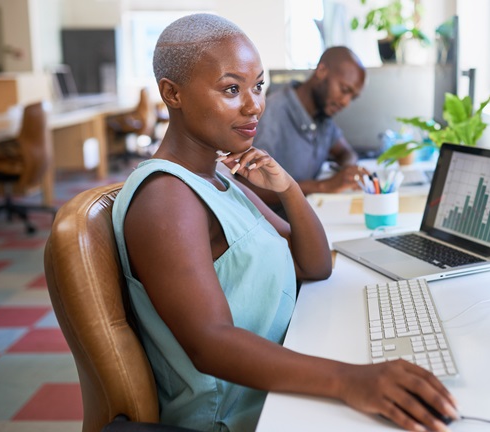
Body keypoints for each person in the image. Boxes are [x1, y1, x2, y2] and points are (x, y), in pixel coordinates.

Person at [111, 13, 457, 432]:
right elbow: (210, 344)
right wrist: (350, 380)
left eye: (258, 86)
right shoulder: (166, 198)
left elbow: (315, 264)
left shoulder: (218, 174)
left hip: (275, 380)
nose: (254, 104)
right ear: (173, 93)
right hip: (238, 413)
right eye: (231, 89)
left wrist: (290, 187)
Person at [236, 46, 369, 217]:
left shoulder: (323, 115)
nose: (346, 102)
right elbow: (245, 186)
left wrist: (348, 172)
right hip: (272, 226)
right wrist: (322, 186)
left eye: (353, 97)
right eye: (344, 90)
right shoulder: (273, 113)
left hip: (305, 216)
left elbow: (345, 152)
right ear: (321, 71)